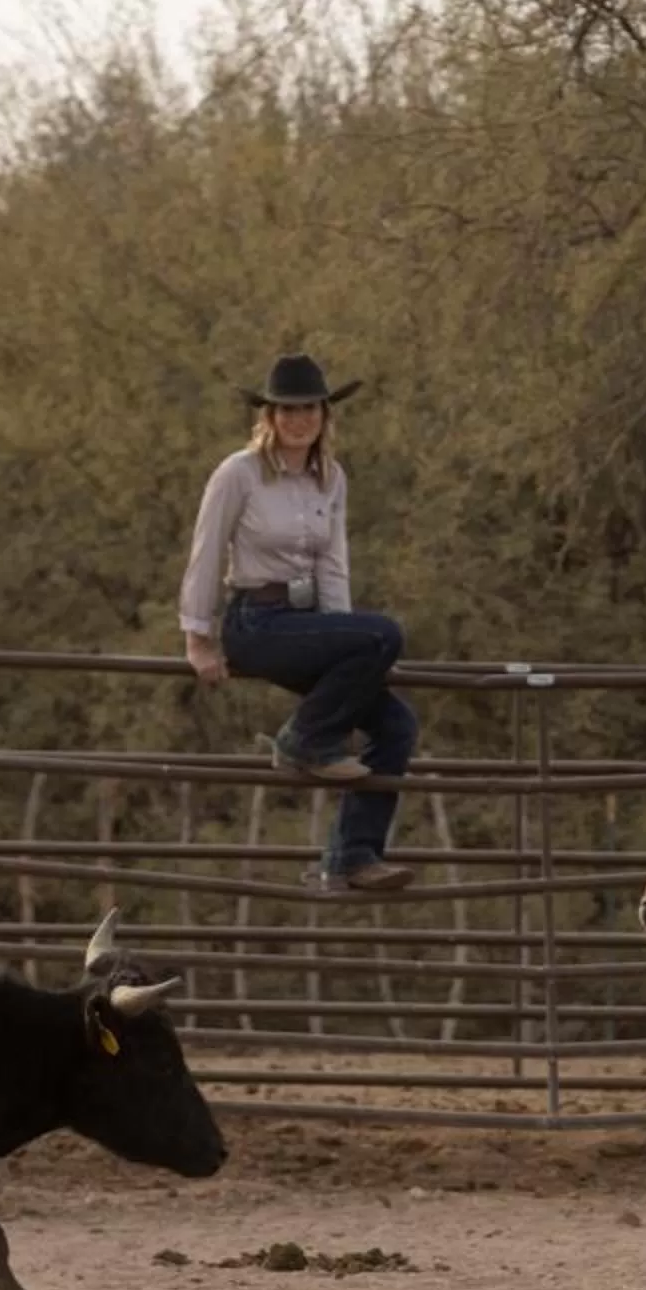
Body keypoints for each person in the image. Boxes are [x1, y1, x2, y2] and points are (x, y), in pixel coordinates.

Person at [178, 353, 418, 894]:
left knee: (397, 724)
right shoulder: (238, 473)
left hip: (307, 624)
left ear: (324, 415)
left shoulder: (330, 478)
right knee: (386, 632)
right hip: (255, 621)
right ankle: (303, 741)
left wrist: (355, 648)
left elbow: (334, 565)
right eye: (286, 410)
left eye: (308, 408)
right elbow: (208, 551)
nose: (298, 419)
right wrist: (198, 638)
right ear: (269, 416)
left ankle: (352, 857)